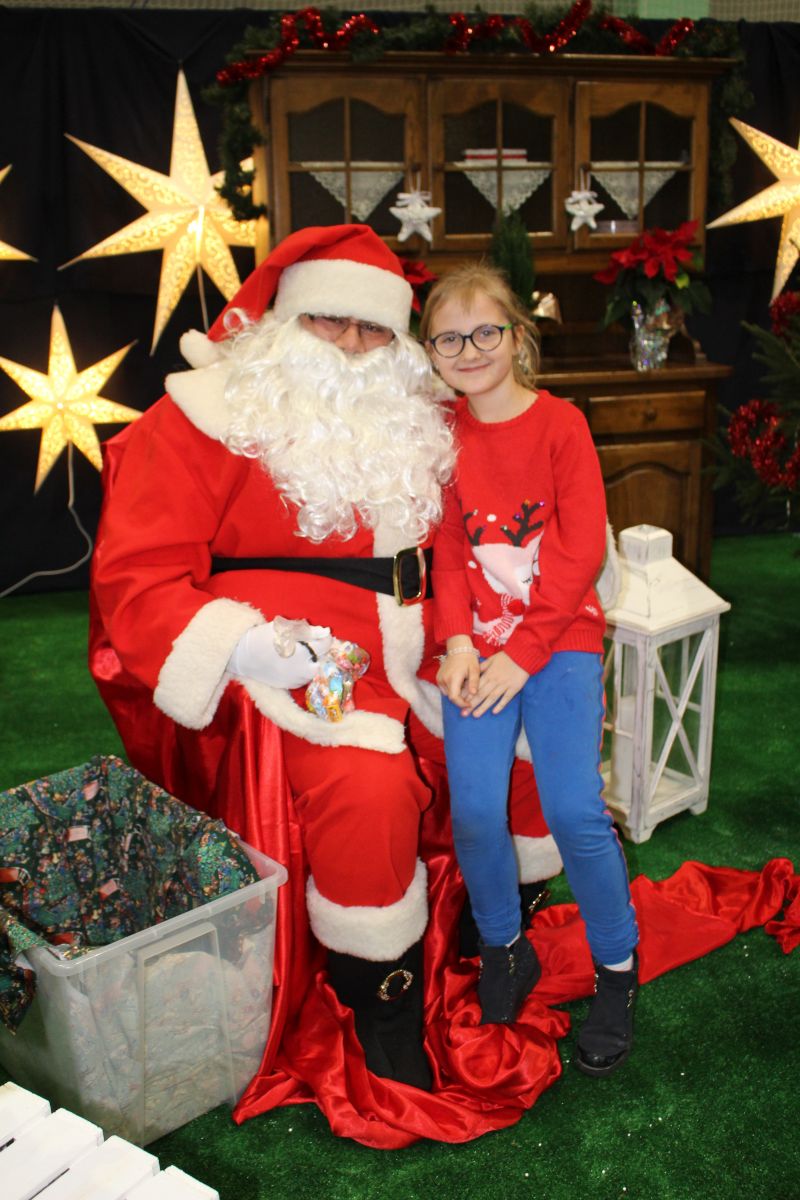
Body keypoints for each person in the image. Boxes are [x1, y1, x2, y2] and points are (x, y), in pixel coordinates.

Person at [88, 226, 563, 1128]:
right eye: (329, 321)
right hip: (292, 656)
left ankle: (489, 936)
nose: (351, 344)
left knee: (536, 739)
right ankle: (382, 1000)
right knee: (367, 786)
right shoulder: (202, 415)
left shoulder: (430, 416)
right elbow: (136, 578)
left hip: (435, 638)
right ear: (284, 320)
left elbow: (514, 508)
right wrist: (240, 645)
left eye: (373, 328)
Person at [420, 262, 640, 1077]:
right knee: (477, 810)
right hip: (476, 651)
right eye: (449, 338)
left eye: (485, 331)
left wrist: (524, 651)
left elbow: (580, 553)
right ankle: (505, 947)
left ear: (517, 336)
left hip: (558, 640)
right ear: (431, 351)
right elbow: (447, 547)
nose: (469, 349)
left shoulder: (561, 426)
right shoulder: (442, 434)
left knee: (574, 809)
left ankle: (618, 969)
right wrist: (457, 642)